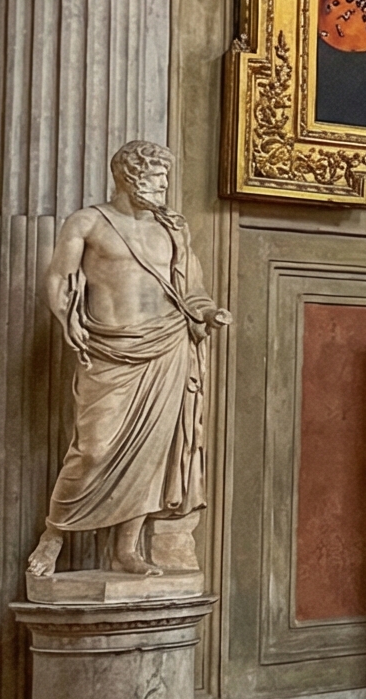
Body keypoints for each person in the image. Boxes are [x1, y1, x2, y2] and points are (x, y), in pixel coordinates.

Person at [26, 142, 229, 580]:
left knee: (152, 454)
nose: (165, 185)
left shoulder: (171, 228)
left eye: (166, 177)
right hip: (110, 349)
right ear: (129, 176)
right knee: (94, 447)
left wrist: (209, 312)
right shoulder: (89, 221)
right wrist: (67, 320)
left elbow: (189, 286)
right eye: (157, 176)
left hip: (167, 346)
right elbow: (58, 277)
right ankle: (55, 533)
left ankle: (125, 549)